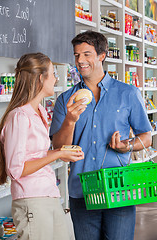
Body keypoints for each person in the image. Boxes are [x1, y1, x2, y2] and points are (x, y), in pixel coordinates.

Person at [49, 31, 152, 240]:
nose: (80, 61)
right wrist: (70, 120)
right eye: (77, 55)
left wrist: (127, 146)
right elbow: (58, 147)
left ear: (102, 55)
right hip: (82, 191)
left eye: (87, 54)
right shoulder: (66, 99)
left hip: (119, 190)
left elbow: (146, 136)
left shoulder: (127, 93)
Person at [0, 52, 84, 240]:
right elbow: (16, 169)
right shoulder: (19, 117)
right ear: (40, 78)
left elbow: (36, 155)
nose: (56, 78)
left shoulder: (40, 112)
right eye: (52, 74)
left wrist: (62, 153)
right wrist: (57, 153)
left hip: (49, 194)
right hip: (31, 200)